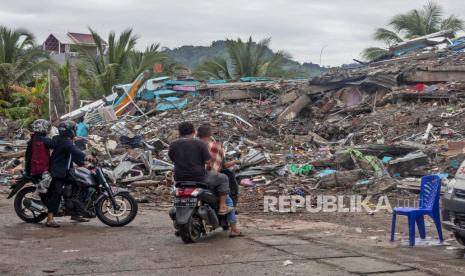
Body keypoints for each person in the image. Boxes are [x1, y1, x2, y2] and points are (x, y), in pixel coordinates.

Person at [168, 122, 232, 215]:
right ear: (194, 131)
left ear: (179, 132)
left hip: (179, 178)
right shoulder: (200, 143)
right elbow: (207, 161)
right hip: (199, 178)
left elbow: (172, 159)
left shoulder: (173, 144)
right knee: (224, 178)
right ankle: (222, 206)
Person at [43, 120, 94, 228]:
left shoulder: (66, 140)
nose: (75, 131)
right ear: (69, 131)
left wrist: (84, 164)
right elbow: (75, 151)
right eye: (74, 129)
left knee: (78, 186)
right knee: (57, 192)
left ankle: (75, 213)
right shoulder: (64, 141)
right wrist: (86, 157)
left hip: (66, 171)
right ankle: (50, 219)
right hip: (57, 171)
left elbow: (73, 155)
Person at [197, 124, 243, 237]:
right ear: (210, 134)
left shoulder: (193, 146)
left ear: (197, 134)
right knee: (229, 201)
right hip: (211, 180)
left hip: (195, 179)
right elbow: (224, 166)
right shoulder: (217, 146)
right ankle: (233, 229)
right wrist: (236, 162)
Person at [25, 119, 54, 201]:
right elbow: (53, 144)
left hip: (35, 165)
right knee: (50, 178)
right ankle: (36, 194)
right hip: (39, 167)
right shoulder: (41, 139)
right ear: (42, 127)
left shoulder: (35, 138)